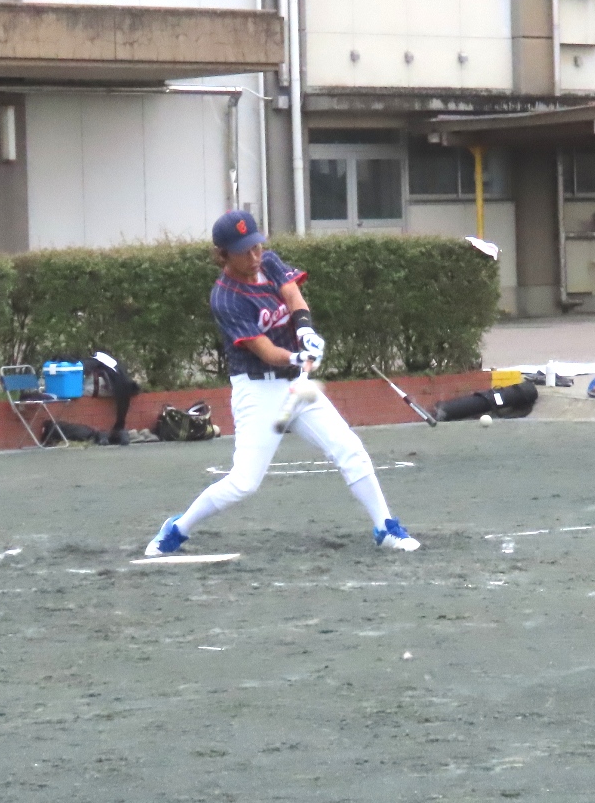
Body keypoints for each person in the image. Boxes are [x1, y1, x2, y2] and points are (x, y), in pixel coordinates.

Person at [144, 210, 419, 555]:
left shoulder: (269, 262)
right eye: (244, 251)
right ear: (223, 255)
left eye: (256, 246)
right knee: (244, 483)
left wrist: (305, 331)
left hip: (295, 386)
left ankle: (385, 527)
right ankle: (178, 528)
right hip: (257, 390)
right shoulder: (225, 297)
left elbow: (292, 296)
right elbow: (264, 350)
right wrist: (297, 357)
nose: (254, 255)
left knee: (349, 449)